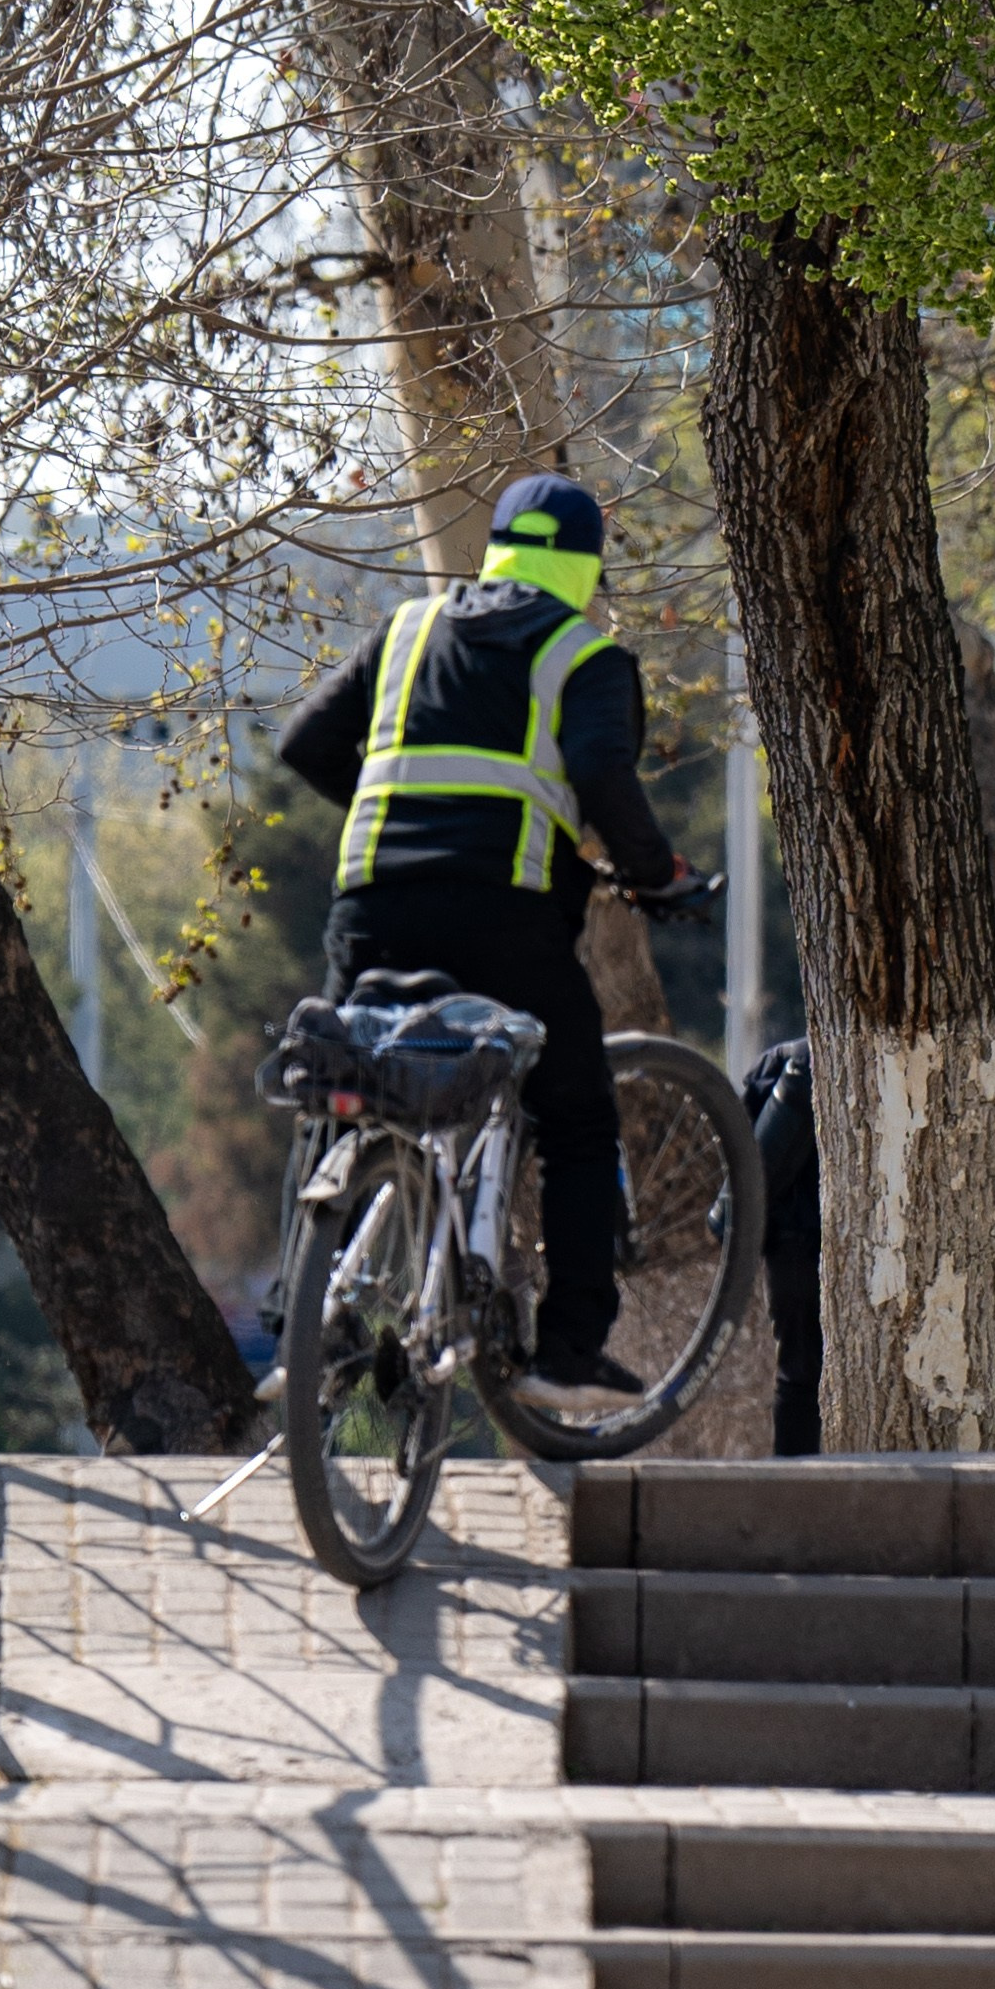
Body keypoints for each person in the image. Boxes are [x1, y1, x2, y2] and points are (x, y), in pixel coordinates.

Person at [275, 472, 683, 1411]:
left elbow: (304, 743)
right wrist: (658, 874)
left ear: (496, 546)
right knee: (577, 1119)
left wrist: (411, 814)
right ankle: (568, 1353)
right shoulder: (586, 653)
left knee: (346, 1090)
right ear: (586, 564)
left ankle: (312, 1323)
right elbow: (599, 772)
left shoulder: (408, 631)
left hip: (372, 905)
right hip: (507, 920)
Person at [741, 1034, 823, 1455]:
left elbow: (739, 1149)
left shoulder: (775, 1061)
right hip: (839, 1243)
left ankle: (795, 1477)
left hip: (786, 1251)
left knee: (796, 1376)